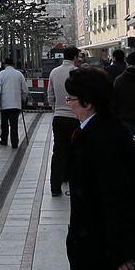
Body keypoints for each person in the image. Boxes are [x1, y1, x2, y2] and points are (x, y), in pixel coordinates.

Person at [65, 65, 135, 270]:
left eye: (71, 98)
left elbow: (117, 196)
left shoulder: (103, 139)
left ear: (88, 102)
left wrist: (122, 250)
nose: (69, 104)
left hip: (101, 246)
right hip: (97, 242)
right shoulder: (100, 129)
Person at [46, 46, 81, 197]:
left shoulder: (54, 72)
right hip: (74, 118)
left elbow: (50, 95)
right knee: (75, 152)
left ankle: (55, 187)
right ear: (74, 57)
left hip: (58, 117)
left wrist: (56, 108)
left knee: (58, 152)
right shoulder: (77, 73)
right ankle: (75, 186)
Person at [0, 56, 29, 148]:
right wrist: (23, 98)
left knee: (4, 123)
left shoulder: (2, 74)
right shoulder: (19, 74)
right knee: (14, 124)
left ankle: (4, 139)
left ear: (5, 65)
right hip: (16, 103)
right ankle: (14, 142)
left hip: (4, 104)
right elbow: (25, 90)